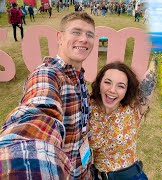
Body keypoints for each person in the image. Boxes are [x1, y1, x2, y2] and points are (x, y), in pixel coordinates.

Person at [0, 12, 96, 179]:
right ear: (59, 37)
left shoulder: (78, 76)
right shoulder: (47, 74)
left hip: (83, 170)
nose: (84, 39)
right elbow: (39, 113)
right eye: (76, 32)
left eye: (89, 34)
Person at [89, 61, 156, 180]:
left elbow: (149, 81)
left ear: (126, 91)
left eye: (120, 86)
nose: (112, 90)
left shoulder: (134, 109)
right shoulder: (89, 107)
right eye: (107, 82)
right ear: (99, 84)